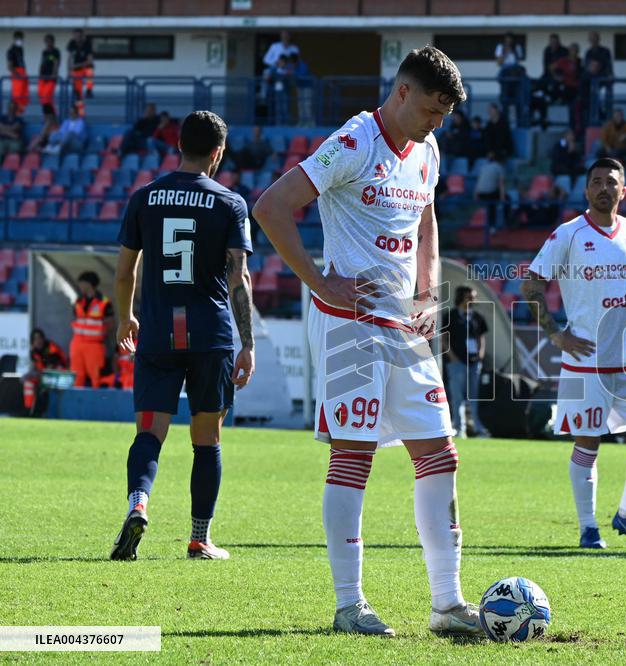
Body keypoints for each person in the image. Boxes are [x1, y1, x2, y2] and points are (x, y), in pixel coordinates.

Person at [251, 46, 482, 636]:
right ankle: (349, 605)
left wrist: (429, 291)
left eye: (444, 114)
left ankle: (447, 605)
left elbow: (427, 217)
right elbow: (271, 207)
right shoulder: (355, 142)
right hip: (349, 324)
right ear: (402, 92)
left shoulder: (427, 148)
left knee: (440, 454)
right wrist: (320, 279)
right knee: (353, 458)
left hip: (405, 326)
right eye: (432, 109)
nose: (437, 122)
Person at [108, 110, 255, 563]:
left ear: (178, 147)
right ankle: (199, 538)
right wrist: (246, 343)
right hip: (210, 333)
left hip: (156, 331)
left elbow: (124, 270)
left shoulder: (143, 198)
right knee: (206, 438)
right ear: (218, 152)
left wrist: (125, 319)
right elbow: (239, 277)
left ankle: (139, 504)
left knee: (150, 433)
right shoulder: (230, 203)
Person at [520, 157, 626, 551]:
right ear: (586, 190)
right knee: (588, 442)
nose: (603, 188)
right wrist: (555, 335)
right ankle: (588, 529)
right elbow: (531, 286)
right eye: (596, 182)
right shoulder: (567, 234)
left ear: (623, 190)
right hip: (585, 362)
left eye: (611, 182)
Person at [443, 286, 489, 438]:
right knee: (457, 396)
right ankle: (458, 427)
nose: (472, 300)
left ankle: (476, 426)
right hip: (457, 361)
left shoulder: (477, 317)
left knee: (474, 396)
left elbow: (481, 337)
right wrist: (452, 356)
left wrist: (481, 354)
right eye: (469, 297)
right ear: (461, 298)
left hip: (474, 361)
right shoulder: (450, 316)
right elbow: (444, 338)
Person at [70, 271, 113, 388]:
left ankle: (97, 403)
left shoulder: (104, 302)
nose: (80, 286)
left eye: (81, 284)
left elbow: (110, 323)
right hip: (77, 343)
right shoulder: (78, 301)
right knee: (76, 376)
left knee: (96, 377)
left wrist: (100, 335)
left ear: (88, 284)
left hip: (94, 345)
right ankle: (76, 402)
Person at [22, 328, 68, 415]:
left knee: (43, 389)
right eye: (35, 339)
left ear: (43, 339)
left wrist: (38, 375)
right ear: (32, 342)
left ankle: (42, 412)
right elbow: (37, 368)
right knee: (28, 382)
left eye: (39, 338)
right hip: (43, 376)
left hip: (60, 376)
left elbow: (52, 368)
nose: (38, 341)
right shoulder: (33, 352)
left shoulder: (51, 349)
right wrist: (30, 375)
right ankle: (28, 409)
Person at [473, 151, 506, 231]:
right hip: (488, 195)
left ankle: (491, 225)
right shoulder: (499, 167)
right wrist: (502, 198)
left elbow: (478, 182)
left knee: (492, 200)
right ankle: (495, 226)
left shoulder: (483, 167)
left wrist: (475, 195)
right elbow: (501, 184)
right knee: (503, 200)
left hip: (480, 194)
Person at [66, 28, 94, 106]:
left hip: (85, 68)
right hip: (76, 70)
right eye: (75, 35)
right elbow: (69, 59)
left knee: (90, 70)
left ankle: (89, 90)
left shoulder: (87, 43)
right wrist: (69, 72)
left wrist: (77, 65)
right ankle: (80, 115)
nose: (77, 37)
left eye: (79, 35)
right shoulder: (72, 43)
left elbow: (90, 61)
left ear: (82, 36)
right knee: (78, 94)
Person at [37, 34, 60, 113]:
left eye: (50, 41)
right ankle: (47, 117)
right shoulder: (44, 52)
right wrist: (39, 74)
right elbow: (42, 63)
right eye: (46, 41)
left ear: (53, 42)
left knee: (47, 97)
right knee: (42, 97)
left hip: (51, 78)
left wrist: (53, 75)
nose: (48, 43)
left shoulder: (56, 51)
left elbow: (56, 63)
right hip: (43, 77)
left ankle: (52, 117)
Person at [7, 31, 28, 115]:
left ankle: (20, 115)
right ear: (15, 39)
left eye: (22, 39)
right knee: (17, 96)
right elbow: (10, 66)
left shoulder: (20, 49)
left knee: (23, 97)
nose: (21, 40)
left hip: (23, 73)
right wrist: (18, 74)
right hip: (17, 74)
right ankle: (14, 116)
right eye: (19, 39)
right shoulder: (11, 50)